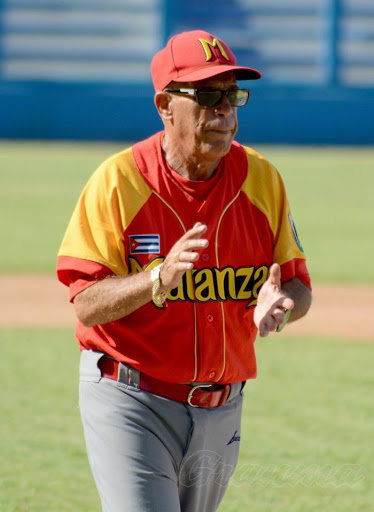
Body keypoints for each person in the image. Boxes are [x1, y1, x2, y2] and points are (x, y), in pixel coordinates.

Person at [57, 29, 312, 512]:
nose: (224, 111)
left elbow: (298, 283)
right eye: (208, 94)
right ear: (165, 105)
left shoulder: (261, 179)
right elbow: (86, 303)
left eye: (232, 94)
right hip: (130, 397)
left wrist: (281, 306)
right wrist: (157, 278)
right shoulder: (118, 182)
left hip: (223, 407)